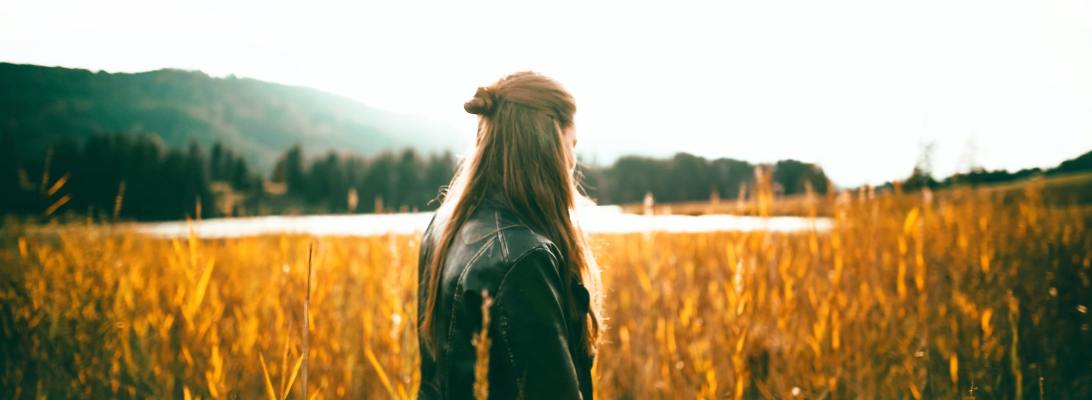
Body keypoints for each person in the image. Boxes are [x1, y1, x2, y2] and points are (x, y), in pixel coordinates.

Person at [416, 71, 604, 399]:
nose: (573, 162)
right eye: (572, 144)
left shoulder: (442, 227)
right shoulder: (526, 258)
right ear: (550, 144)